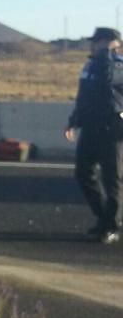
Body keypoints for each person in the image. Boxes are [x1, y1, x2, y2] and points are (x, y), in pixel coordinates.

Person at [64, 26, 123, 244]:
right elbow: (84, 96)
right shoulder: (89, 65)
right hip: (90, 126)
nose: (92, 45)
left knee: (112, 179)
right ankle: (104, 217)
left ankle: (112, 226)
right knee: (83, 172)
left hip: (113, 126)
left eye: (97, 42)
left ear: (108, 42)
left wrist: (108, 53)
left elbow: (108, 80)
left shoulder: (117, 64)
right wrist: (74, 121)